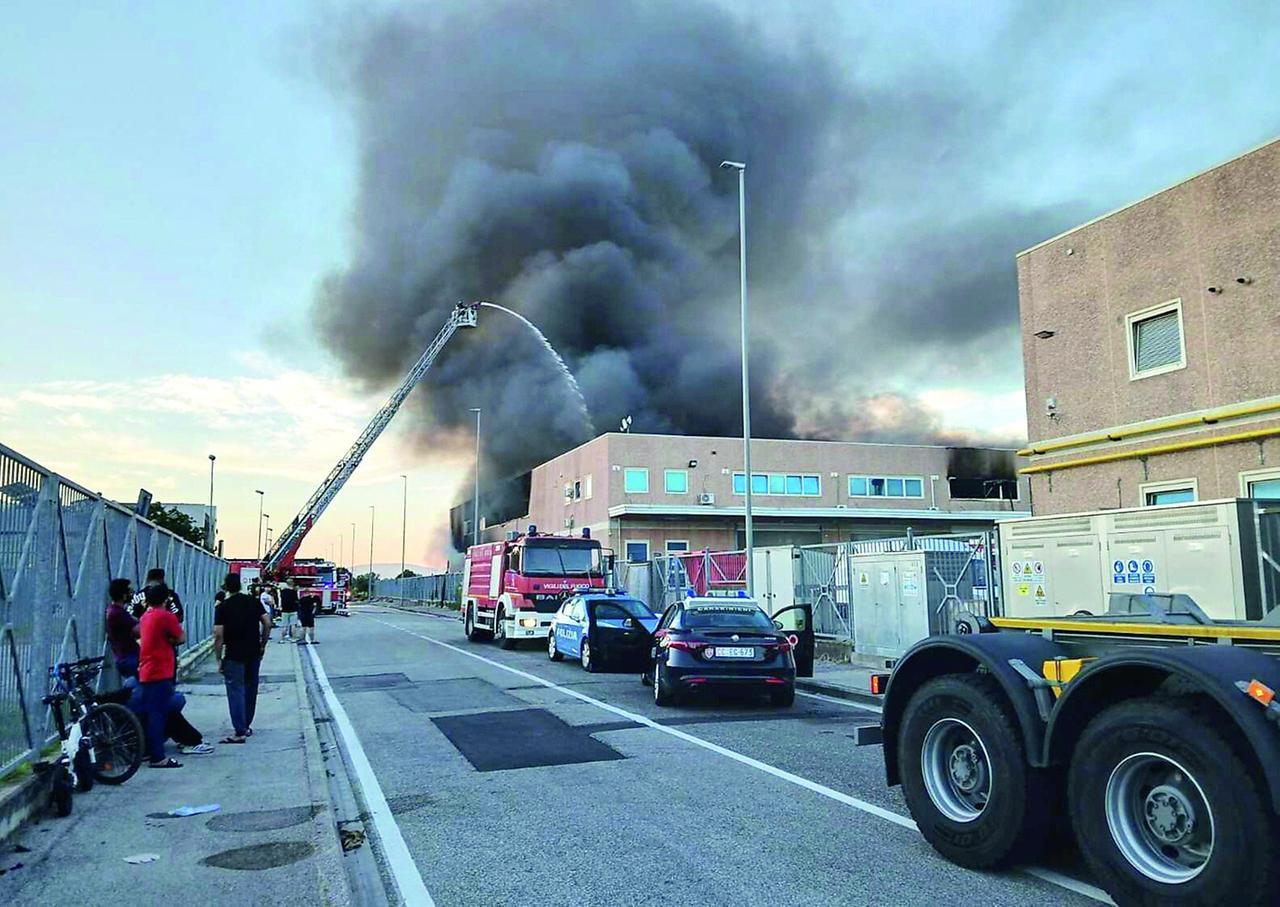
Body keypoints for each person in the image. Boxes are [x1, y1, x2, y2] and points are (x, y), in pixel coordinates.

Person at [213, 573, 269, 744]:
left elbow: (218, 635)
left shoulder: (223, 607)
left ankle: (240, 731)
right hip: (253, 652)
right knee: (251, 689)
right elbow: (267, 622)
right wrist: (262, 644)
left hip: (234, 654)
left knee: (235, 691)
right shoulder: (253, 601)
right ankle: (246, 725)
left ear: (225, 587)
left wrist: (218, 658)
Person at [139, 584, 185, 768]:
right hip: (161, 670)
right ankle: (157, 756)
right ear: (166, 599)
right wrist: (170, 640)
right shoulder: (166, 616)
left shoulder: (145, 617)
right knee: (160, 713)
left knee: (152, 712)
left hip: (147, 670)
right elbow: (181, 638)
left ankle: (150, 750)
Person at [105, 578, 140, 678]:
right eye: (128, 591)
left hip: (126, 656)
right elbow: (138, 631)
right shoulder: (118, 613)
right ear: (123, 595)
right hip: (129, 658)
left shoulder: (116, 611)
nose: (131, 594)